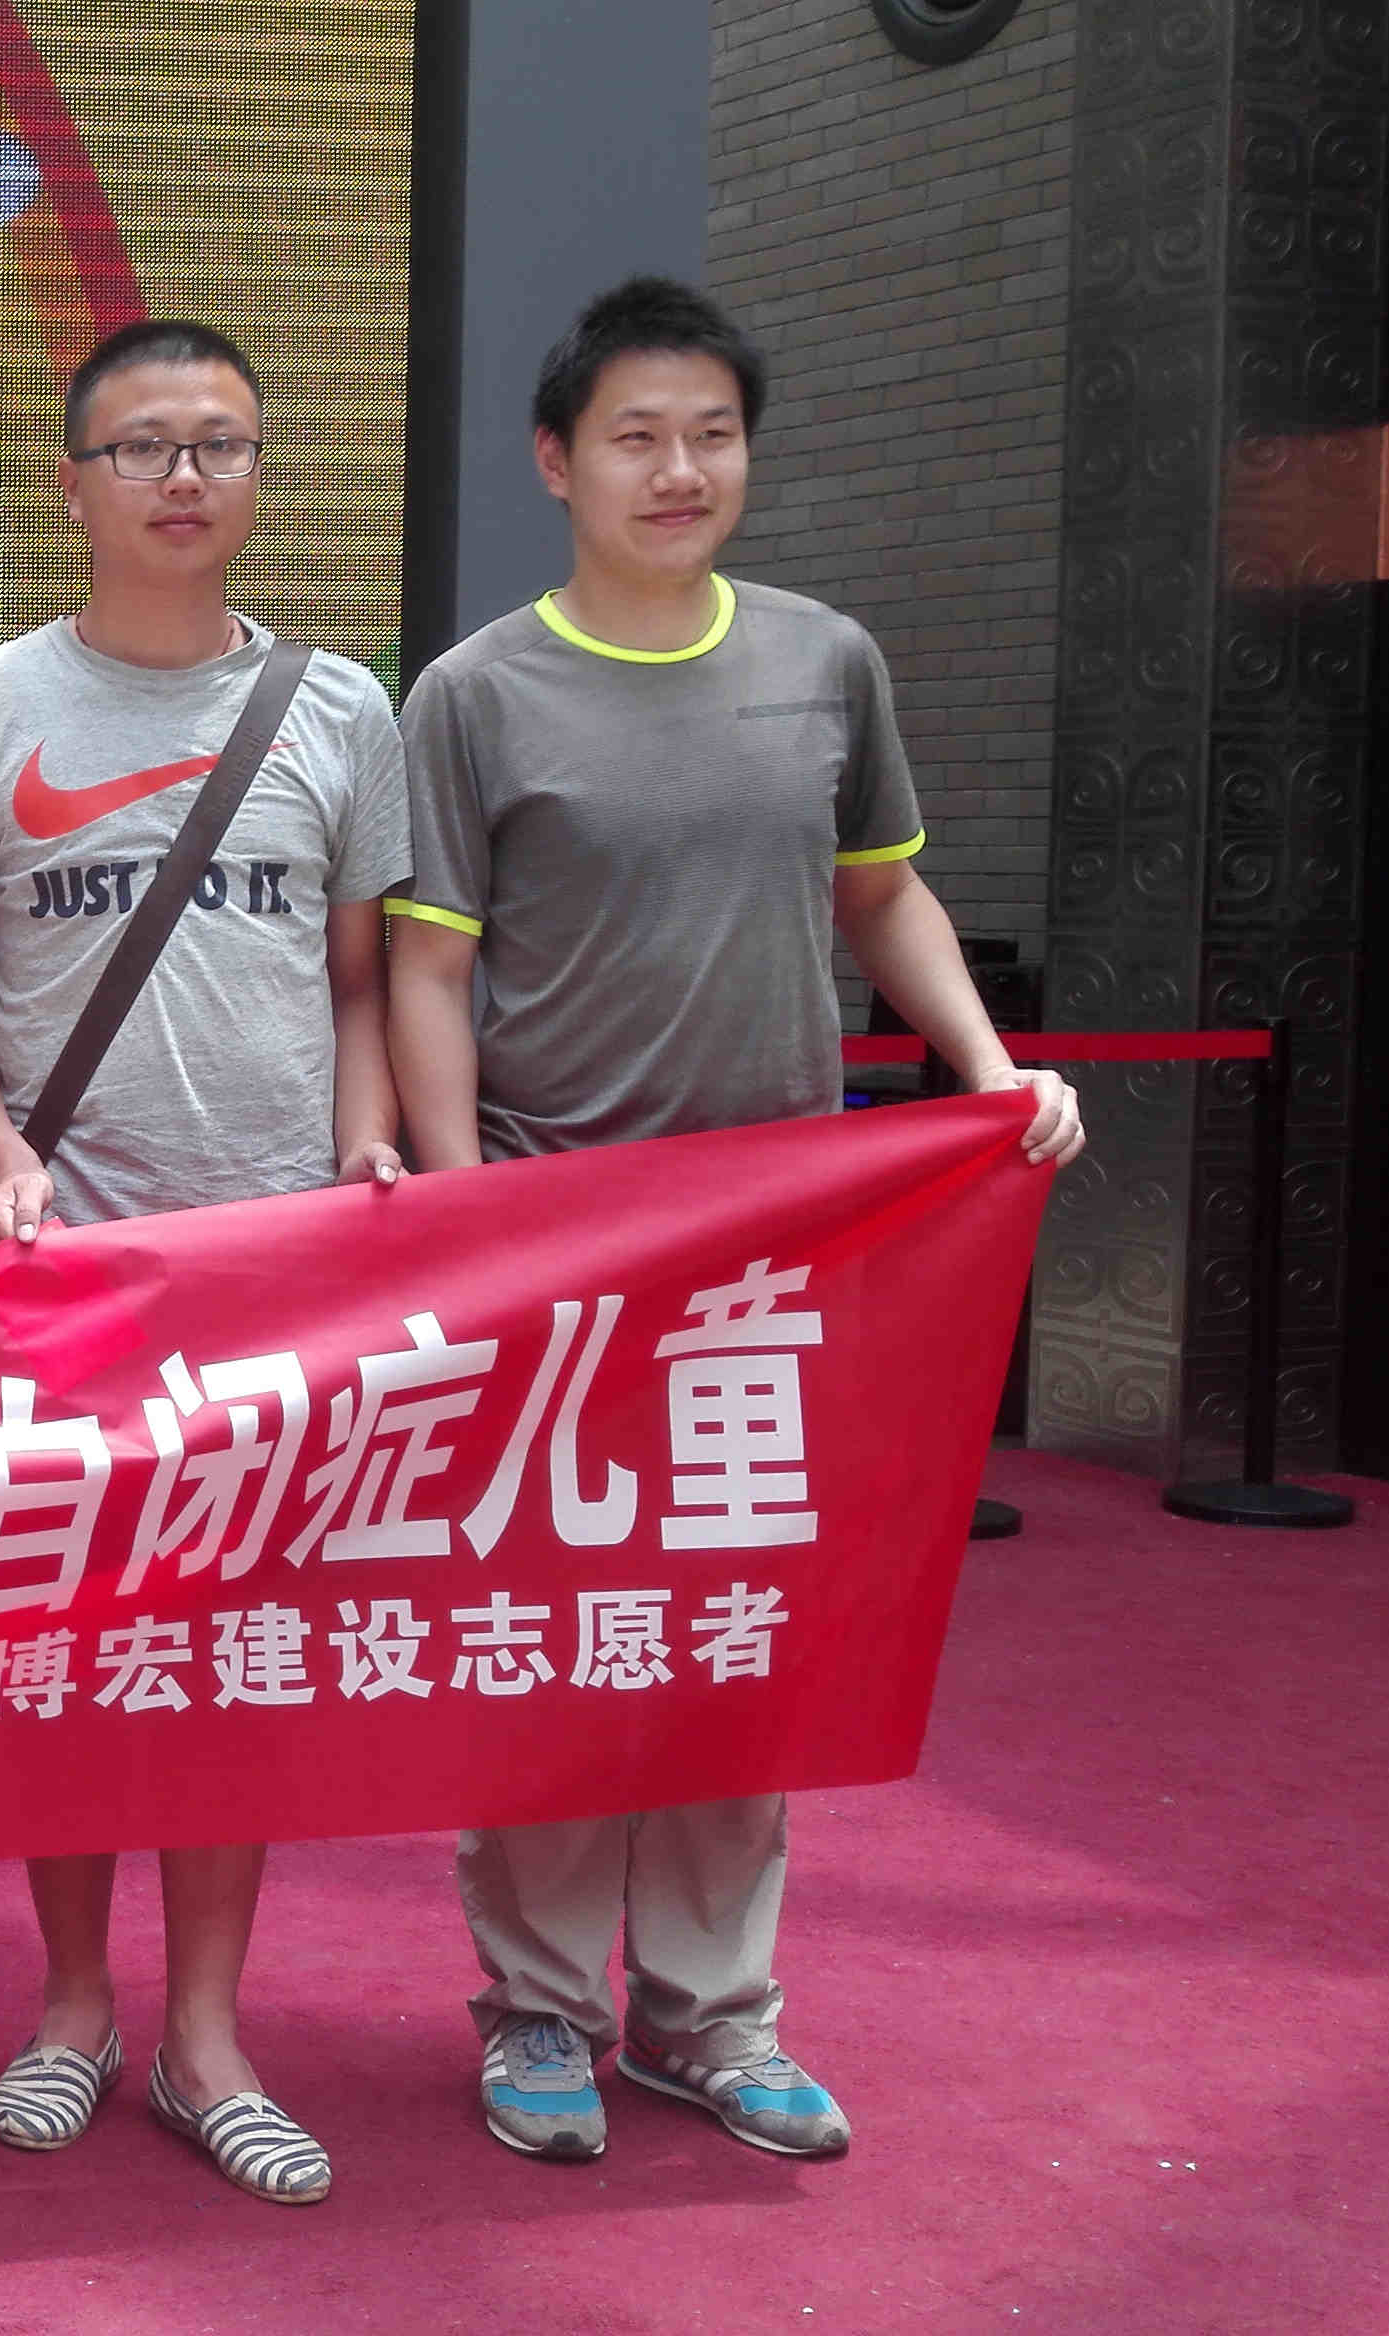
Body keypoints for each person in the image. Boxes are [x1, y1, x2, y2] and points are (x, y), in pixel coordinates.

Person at [383, 274, 1085, 2166]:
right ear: (557, 462)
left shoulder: (823, 659)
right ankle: (540, 2013)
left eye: (712, 435)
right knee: (559, 1627)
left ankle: (710, 2016)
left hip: (781, 1258)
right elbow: (430, 968)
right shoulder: (475, 692)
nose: (678, 469)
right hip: (562, 1247)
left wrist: (988, 1071)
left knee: (729, 1627)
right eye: (637, 435)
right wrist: (463, 1210)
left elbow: (884, 900)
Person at [0, 316, 401, 2207]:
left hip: (273, 1272)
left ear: (261, 472)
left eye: (222, 444)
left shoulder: (341, 710)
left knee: (230, 1661)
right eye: (143, 446)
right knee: (70, 1649)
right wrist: (5, 1163)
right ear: (74, 485)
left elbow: (360, 985)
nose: (185, 477)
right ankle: (67, 2007)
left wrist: (364, 1148)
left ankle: (205, 2038)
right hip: (70, 1270)